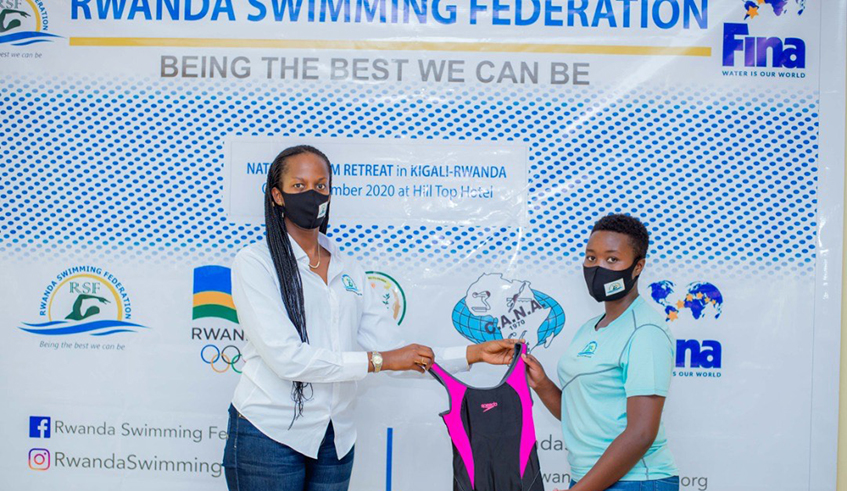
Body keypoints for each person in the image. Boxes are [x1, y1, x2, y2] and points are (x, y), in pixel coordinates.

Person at [222, 144, 520, 491]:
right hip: (268, 436)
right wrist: (380, 361)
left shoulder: (348, 269)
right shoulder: (256, 263)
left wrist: (473, 354)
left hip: (334, 439)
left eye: (320, 185)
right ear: (277, 195)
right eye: (299, 186)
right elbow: (287, 358)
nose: (312, 194)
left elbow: (397, 350)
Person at [522, 214, 679, 491]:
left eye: (612, 259)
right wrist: (542, 384)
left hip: (636, 482)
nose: (598, 267)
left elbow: (641, 433)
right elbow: (580, 415)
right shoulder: (590, 329)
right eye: (591, 257)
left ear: (638, 266)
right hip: (590, 479)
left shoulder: (646, 331)